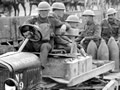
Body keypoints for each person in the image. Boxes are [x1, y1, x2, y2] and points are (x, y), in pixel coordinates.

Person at [20, 1, 52, 69]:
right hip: (34, 42)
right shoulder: (33, 20)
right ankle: (22, 65)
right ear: (39, 12)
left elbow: (63, 24)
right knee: (22, 44)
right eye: (41, 11)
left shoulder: (52, 20)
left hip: (45, 43)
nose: (43, 12)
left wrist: (64, 26)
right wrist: (27, 29)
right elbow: (25, 25)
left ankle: (40, 67)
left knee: (45, 46)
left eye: (45, 11)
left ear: (48, 11)